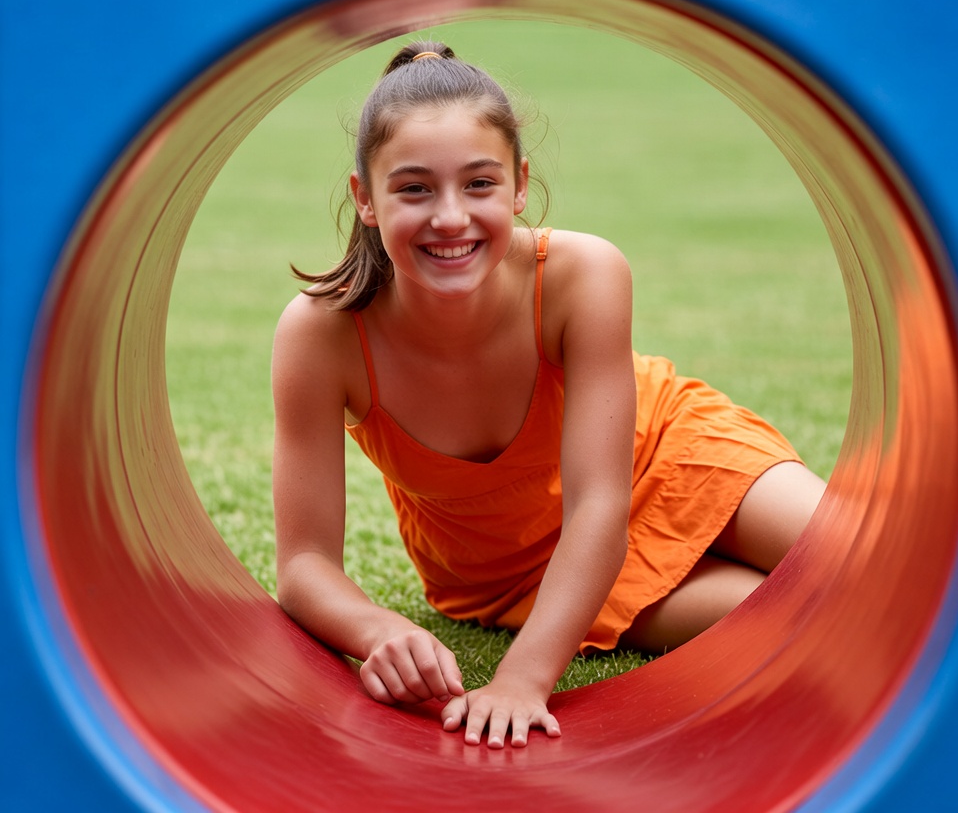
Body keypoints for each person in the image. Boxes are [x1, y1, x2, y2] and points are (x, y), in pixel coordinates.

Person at [271, 40, 825, 750]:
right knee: (785, 618)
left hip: (669, 453)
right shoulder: (323, 334)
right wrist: (381, 629)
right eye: (414, 189)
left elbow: (600, 501)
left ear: (518, 185)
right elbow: (304, 565)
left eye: (479, 184)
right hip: (513, 572)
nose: (450, 218)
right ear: (365, 199)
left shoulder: (582, 272)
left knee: (857, 566)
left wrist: (523, 679)